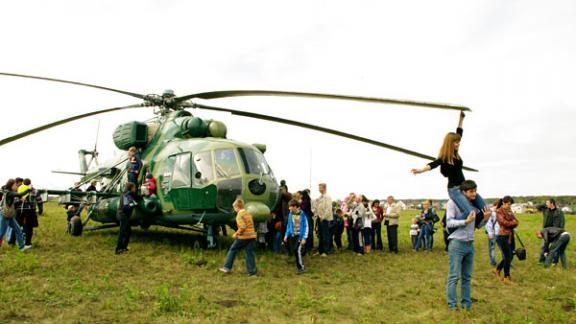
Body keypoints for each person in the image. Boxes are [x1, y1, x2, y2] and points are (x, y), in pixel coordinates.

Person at [411, 112, 487, 221]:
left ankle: (476, 224)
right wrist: (420, 170)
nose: (458, 144)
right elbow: (433, 164)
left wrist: (461, 119)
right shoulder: (445, 157)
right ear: (450, 143)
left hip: (465, 187)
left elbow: (459, 133)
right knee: (470, 212)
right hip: (454, 189)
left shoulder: (456, 153)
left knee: (485, 208)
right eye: (455, 142)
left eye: (458, 142)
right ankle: (451, 225)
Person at [445, 180, 491, 311]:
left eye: (475, 191)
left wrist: (485, 219)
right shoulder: (453, 203)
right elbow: (449, 223)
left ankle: (466, 304)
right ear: (463, 192)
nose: (474, 194)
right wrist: (465, 221)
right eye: (471, 191)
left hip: (470, 245)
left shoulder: (474, 206)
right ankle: (452, 306)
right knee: (454, 276)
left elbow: (477, 226)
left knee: (467, 277)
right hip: (456, 244)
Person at [220, 198, 257, 276]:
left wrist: (236, 234)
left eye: (234, 208)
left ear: (237, 207)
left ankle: (227, 267)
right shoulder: (248, 213)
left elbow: (243, 227)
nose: (234, 210)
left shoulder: (239, 215)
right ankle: (252, 272)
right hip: (252, 236)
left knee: (233, 249)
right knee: (249, 253)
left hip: (244, 237)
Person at [0, 179, 31, 251]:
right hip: (4, 216)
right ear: (11, 185)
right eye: (15, 185)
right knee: (1, 233)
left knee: (18, 230)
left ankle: (22, 247)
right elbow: (19, 194)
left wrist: (20, 201)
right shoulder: (9, 193)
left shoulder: (10, 193)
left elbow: (13, 204)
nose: (17, 186)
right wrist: (28, 189)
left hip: (10, 216)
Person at [493, 196, 519, 284]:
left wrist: (512, 222)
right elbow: (503, 222)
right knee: (507, 256)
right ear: (503, 203)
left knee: (511, 255)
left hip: (511, 236)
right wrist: (512, 222)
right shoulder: (499, 211)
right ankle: (506, 277)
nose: (509, 206)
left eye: (510, 204)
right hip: (502, 236)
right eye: (508, 204)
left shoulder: (509, 211)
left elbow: (516, 221)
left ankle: (497, 269)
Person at [284, 199, 309, 274]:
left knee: (296, 250)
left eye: (290, 207)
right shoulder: (290, 214)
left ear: (295, 207)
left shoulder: (302, 215)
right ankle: (298, 262)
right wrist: (286, 235)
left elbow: (306, 227)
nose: (289, 208)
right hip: (293, 235)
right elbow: (289, 225)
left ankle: (301, 268)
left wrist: (304, 238)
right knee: (294, 250)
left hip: (300, 236)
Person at [539, 199, 565, 263]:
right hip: (546, 231)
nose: (546, 204)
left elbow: (562, 222)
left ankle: (554, 262)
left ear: (552, 203)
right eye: (546, 203)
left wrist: (560, 231)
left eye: (547, 203)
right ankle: (542, 261)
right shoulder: (545, 210)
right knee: (543, 246)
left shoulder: (559, 211)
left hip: (555, 232)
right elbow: (538, 206)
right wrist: (545, 204)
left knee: (554, 247)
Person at [115, 182, 138, 255]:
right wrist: (133, 204)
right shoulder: (127, 195)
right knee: (122, 232)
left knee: (128, 231)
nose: (135, 189)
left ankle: (124, 247)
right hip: (123, 215)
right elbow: (125, 207)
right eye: (134, 187)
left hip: (124, 215)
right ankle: (118, 249)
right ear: (131, 188)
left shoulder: (127, 194)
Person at [312, 183, 332, 256]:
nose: (319, 189)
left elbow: (328, 209)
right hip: (319, 218)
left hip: (325, 219)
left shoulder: (327, 197)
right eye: (319, 187)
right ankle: (320, 250)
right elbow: (317, 206)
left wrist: (323, 217)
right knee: (320, 235)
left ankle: (325, 251)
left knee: (325, 235)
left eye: (320, 187)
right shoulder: (320, 197)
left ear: (324, 188)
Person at [19, 179, 39, 249]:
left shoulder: (20, 189)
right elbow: (39, 201)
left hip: (20, 210)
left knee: (19, 226)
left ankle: (19, 241)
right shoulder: (35, 190)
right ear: (30, 183)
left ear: (23, 183)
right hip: (31, 211)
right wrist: (40, 210)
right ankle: (28, 243)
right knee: (29, 227)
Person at [484, 202, 500, 267]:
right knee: (492, 248)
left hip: (501, 233)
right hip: (493, 233)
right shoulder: (491, 212)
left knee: (503, 249)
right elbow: (488, 224)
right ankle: (493, 262)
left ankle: (505, 261)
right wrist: (490, 234)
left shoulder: (501, 212)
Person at [299, 190, 314, 254]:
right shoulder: (308, 200)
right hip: (309, 218)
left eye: (301, 195)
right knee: (309, 233)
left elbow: (302, 209)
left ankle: (306, 249)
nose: (300, 196)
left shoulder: (305, 201)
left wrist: (300, 203)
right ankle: (309, 247)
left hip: (306, 218)